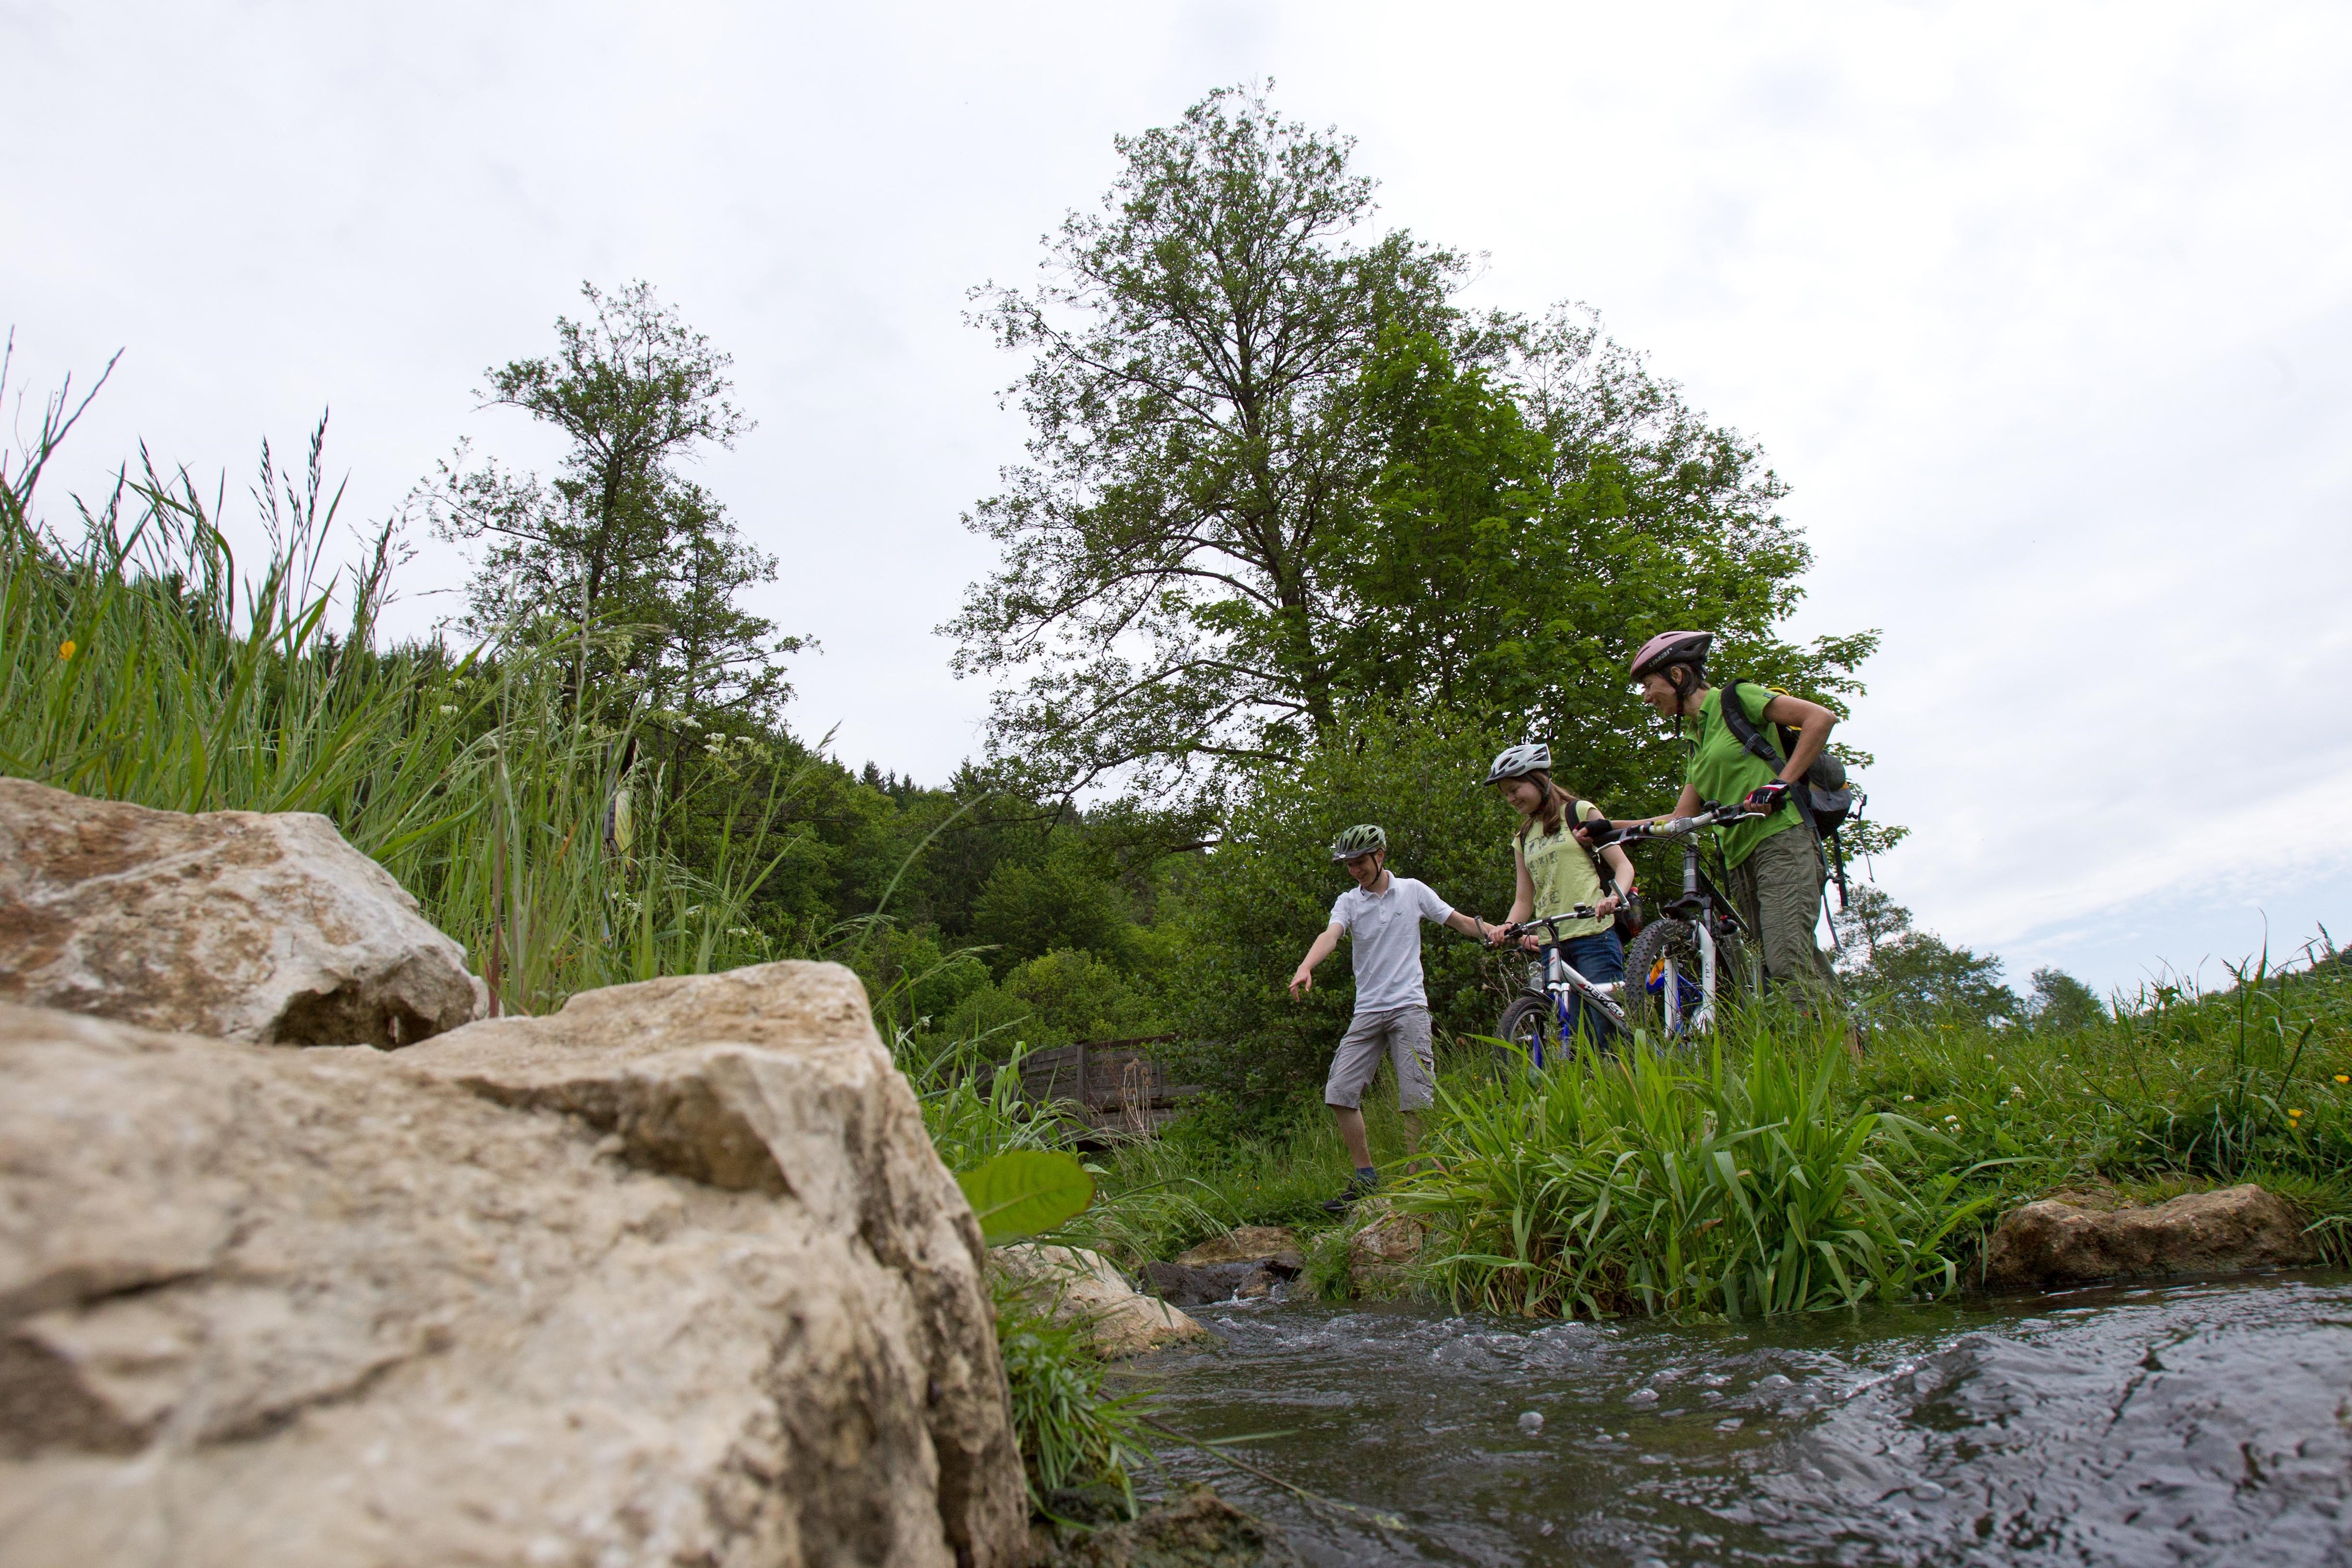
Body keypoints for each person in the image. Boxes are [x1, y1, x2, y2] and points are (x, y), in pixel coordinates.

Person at [1590, 630, 1842, 1005]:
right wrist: (1609, 828)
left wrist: (1779, 785)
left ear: (1676, 675)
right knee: (1781, 963)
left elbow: (1820, 718)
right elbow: (1680, 817)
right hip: (1740, 861)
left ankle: (1826, 1049)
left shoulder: (1735, 699)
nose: (1645, 696)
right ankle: (1853, 1048)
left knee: (1786, 959)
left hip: (1782, 840)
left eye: (1647, 685)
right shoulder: (1698, 741)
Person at [1289, 823, 1495, 1211]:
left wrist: (1495, 931)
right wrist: (1306, 966)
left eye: (1361, 862)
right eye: (1349, 864)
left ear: (1380, 855)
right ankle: (1365, 1177)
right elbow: (1330, 934)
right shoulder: (1349, 901)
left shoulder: (1413, 891)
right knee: (1339, 1091)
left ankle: (1417, 1180)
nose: (1355, 870)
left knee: (1415, 1096)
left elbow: (1460, 921)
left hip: (1408, 1006)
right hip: (1367, 1009)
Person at [1483, 743, 1639, 1050]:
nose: (1511, 799)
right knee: (1577, 1036)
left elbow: (1623, 866)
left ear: (1539, 779)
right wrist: (1507, 926)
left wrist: (1611, 897)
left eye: (1515, 789)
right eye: (1506, 794)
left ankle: (1631, 1088)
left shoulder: (1579, 812)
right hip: (1551, 943)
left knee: (1609, 1032)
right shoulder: (1523, 837)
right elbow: (1524, 900)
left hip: (1593, 935)